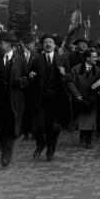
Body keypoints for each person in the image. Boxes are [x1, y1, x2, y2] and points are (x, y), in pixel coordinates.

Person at [0, 32, 27, 166]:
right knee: (1, 128)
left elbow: (27, 77)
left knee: (11, 128)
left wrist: (22, 82)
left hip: (14, 100)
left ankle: (7, 153)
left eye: (2, 43)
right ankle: (4, 151)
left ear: (9, 45)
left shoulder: (20, 60)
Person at [30, 33, 71, 161]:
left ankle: (51, 149)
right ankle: (41, 143)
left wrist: (65, 74)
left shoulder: (62, 59)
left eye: (50, 42)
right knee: (39, 126)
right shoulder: (36, 60)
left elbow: (71, 78)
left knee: (54, 126)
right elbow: (30, 75)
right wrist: (30, 75)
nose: (48, 44)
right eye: (46, 42)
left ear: (55, 45)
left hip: (57, 99)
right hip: (41, 99)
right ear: (42, 45)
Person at [67, 49, 100, 149]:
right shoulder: (76, 69)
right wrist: (77, 95)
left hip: (91, 99)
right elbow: (70, 83)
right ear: (87, 58)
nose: (96, 59)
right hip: (80, 99)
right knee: (82, 120)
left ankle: (88, 140)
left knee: (90, 121)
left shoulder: (98, 70)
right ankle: (83, 134)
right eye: (94, 57)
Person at [20, 32, 39, 140]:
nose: (33, 45)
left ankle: (31, 131)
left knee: (31, 110)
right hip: (21, 86)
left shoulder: (36, 55)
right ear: (25, 44)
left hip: (32, 87)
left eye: (34, 43)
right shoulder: (17, 54)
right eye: (32, 43)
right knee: (22, 110)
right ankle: (25, 131)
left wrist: (33, 74)